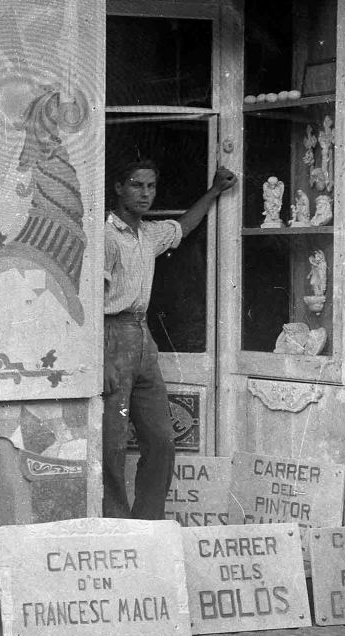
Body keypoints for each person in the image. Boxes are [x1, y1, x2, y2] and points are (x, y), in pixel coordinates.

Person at [104, 160, 236, 519]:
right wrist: (100, 357)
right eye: (136, 185)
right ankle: (115, 524)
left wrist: (214, 191)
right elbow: (89, 300)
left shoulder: (148, 234)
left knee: (161, 439)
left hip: (142, 337)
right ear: (118, 188)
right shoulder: (105, 235)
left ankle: (147, 522)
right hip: (110, 336)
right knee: (111, 441)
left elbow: (182, 227)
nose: (145, 194)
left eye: (151, 186)